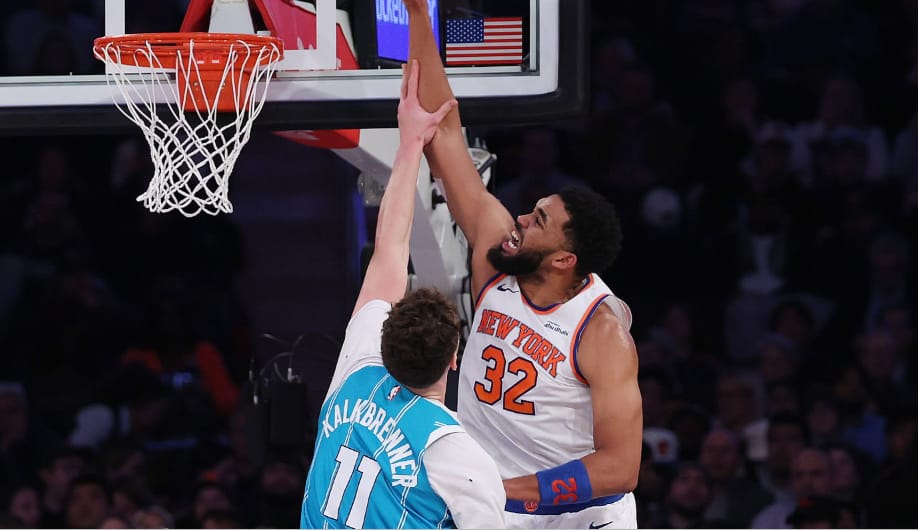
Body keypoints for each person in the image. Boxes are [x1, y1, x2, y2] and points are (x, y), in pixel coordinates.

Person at [404, 2, 643, 527]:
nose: (520, 218)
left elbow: (620, 468)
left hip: (579, 517)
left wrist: (509, 491)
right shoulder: (497, 255)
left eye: (538, 220)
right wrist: (418, 15)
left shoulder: (601, 332)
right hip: (495, 504)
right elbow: (446, 133)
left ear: (564, 259)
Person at [299, 60, 506, 529]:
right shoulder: (456, 452)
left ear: (383, 341)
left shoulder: (358, 370)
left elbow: (388, 252)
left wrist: (409, 141)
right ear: (454, 357)